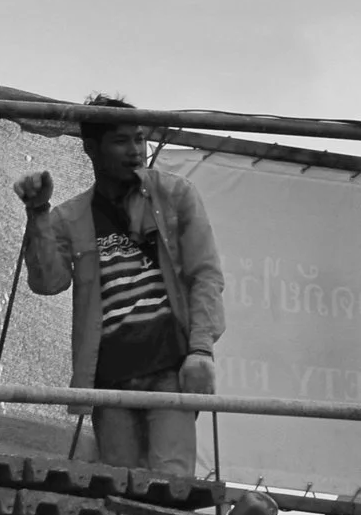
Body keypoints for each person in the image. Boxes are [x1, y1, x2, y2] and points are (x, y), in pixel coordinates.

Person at [16, 100, 225, 480]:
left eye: (139, 139)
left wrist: (200, 351)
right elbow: (48, 282)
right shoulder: (68, 217)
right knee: (120, 486)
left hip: (168, 366)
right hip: (109, 373)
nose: (135, 150)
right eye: (121, 141)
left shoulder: (175, 194)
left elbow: (205, 275)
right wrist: (38, 213)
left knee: (171, 483)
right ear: (91, 148)